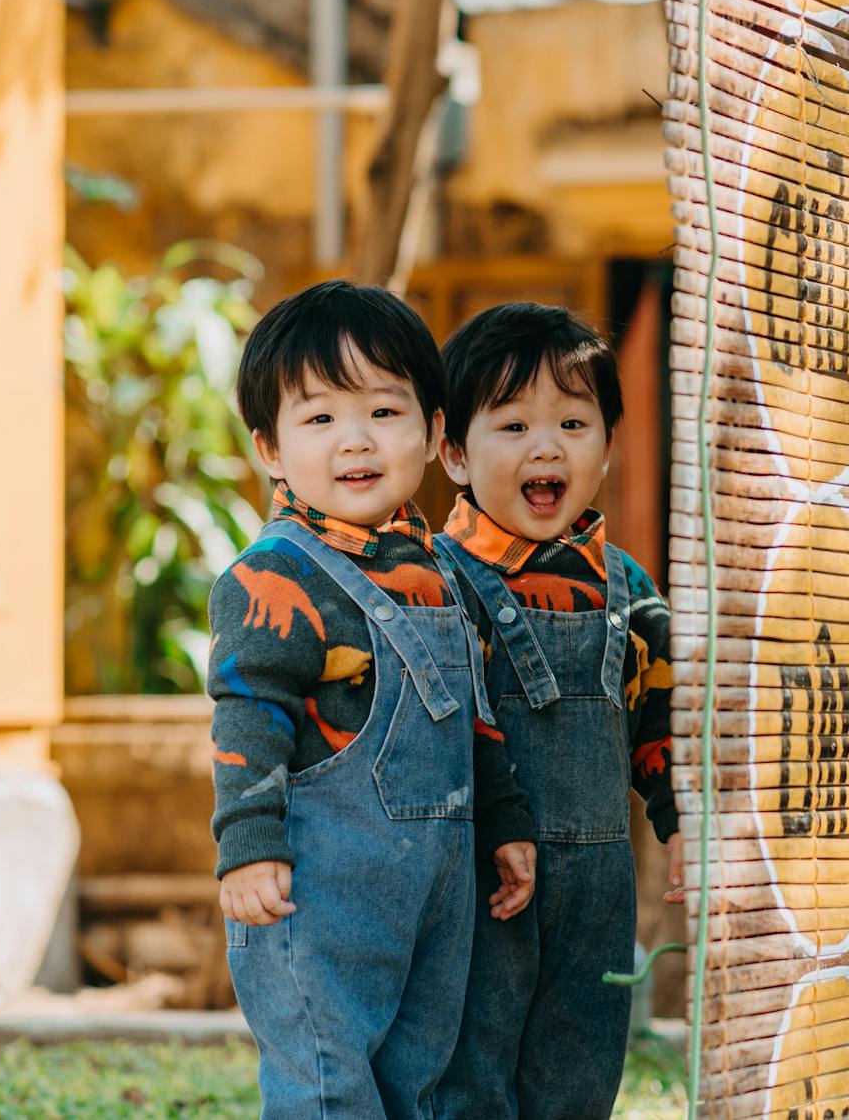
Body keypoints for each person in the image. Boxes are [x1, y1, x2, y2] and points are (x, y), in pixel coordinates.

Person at [207, 280, 537, 1120]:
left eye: (384, 413)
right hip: (316, 897)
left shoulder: (444, 571)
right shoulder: (273, 575)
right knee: (329, 1080)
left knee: (418, 1081)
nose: (354, 441)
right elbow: (248, 710)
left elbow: (476, 715)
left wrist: (502, 823)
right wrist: (247, 844)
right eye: (318, 419)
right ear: (270, 449)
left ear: (432, 433)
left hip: (437, 895)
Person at [431, 302, 681, 1120]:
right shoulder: (431, 584)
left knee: (581, 1072)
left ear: (607, 447)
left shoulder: (630, 587)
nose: (546, 446)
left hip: (601, 891)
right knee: (473, 1070)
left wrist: (682, 829)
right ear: (455, 451)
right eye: (512, 425)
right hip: (478, 883)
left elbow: (663, 723)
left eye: (573, 422)